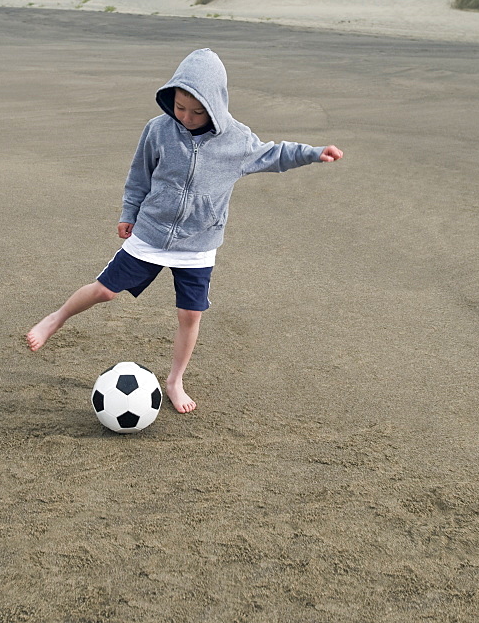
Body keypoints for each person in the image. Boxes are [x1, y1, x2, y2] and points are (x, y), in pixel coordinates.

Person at [27, 48, 343, 413]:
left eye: (197, 111)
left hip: (199, 243)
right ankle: (56, 318)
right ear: (171, 97)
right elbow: (138, 176)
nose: (187, 117)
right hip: (151, 232)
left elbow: (276, 154)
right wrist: (129, 212)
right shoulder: (158, 130)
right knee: (105, 291)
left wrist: (314, 152)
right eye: (180, 107)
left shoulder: (236, 140)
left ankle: (174, 381)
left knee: (190, 315)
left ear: (216, 105)